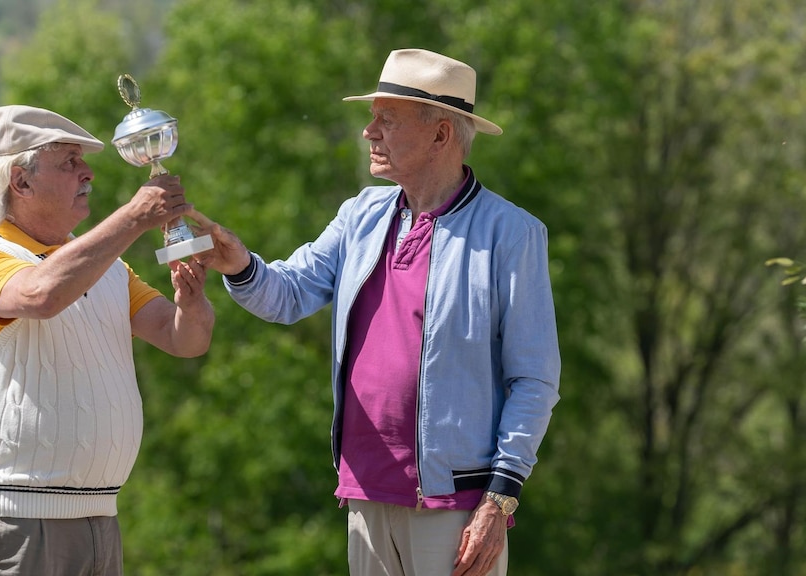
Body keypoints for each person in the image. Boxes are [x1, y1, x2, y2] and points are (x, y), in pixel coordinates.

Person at [190, 49, 560, 576]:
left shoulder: (512, 233)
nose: (369, 131)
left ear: (441, 136)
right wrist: (235, 260)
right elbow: (287, 294)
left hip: (456, 505)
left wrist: (499, 499)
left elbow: (535, 380)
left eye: (387, 120)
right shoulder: (360, 214)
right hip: (363, 491)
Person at [0, 104, 214, 576]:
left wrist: (192, 301)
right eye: (68, 161)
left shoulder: (103, 264)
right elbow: (41, 293)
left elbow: (183, 340)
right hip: (17, 517)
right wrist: (131, 218)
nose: (87, 172)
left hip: (99, 514)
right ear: (20, 181)